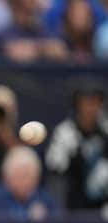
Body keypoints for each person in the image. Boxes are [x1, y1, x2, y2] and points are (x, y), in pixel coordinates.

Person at [46, 80, 108, 209]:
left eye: (95, 103)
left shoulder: (106, 129)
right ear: (77, 105)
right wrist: (69, 153)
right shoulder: (64, 132)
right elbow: (54, 166)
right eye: (86, 103)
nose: (90, 109)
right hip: (75, 204)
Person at [0, 145, 57, 221]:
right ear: (6, 177)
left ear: (37, 178)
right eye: (18, 176)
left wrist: (46, 219)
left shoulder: (46, 200)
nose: (23, 182)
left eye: (27, 176)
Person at [0, 0, 68, 62]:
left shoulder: (43, 30)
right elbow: (14, 52)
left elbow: (60, 50)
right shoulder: (6, 33)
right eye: (26, 10)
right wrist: (44, 49)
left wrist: (36, 49)